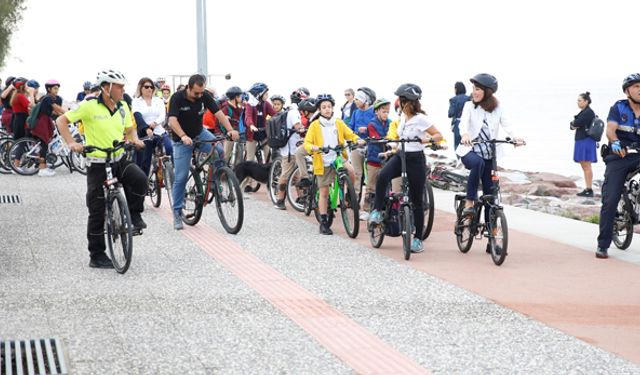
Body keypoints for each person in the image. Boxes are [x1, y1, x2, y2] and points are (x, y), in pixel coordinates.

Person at [55, 69, 148, 269]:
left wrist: (135, 140)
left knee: (140, 179)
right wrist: (72, 143)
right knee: (96, 210)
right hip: (97, 164)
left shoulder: (123, 106)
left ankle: (134, 215)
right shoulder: (88, 106)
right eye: (119, 86)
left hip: (118, 158)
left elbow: (129, 128)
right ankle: (96, 255)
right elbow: (61, 121)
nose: (123, 90)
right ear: (106, 88)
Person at [368, 83, 444, 253]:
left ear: (408, 103)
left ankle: (417, 239)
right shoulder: (404, 118)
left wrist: (426, 141)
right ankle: (377, 211)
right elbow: (399, 139)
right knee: (383, 176)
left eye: (402, 101)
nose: (400, 105)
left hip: (416, 160)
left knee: (417, 201)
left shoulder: (421, 119)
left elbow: (439, 135)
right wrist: (393, 148)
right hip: (400, 156)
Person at [456, 74, 524, 252]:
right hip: (470, 151)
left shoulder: (497, 108)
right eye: (473, 89)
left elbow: (507, 124)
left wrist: (515, 138)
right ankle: (470, 202)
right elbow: (463, 124)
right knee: (477, 164)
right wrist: (464, 135)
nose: (474, 92)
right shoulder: (469, 106)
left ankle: (492, 240)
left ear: (488, 91)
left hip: (490, 154)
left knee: (491, 198)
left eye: (478, 89)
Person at [167, 74, 239, 230]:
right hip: (181, 140)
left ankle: (215, 181)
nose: (199, 96)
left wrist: (231, 130)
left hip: (199, 133)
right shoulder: (177, 98)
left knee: (218, 151)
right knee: (181, 177)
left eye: (201, 93)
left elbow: (218, 114)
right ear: (188, 87)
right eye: (196, 93)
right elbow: (172, 120)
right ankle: (178, 213)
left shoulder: (204, 96)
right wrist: (183, 136)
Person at [304, 93, 364, 235]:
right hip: (322, 159)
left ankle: (349, 195)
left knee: (351, 171)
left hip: (337, 156)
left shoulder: (338, 123)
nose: (327, 109)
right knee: (324, 192)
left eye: (329, 107)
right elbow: (307, 142)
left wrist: (358, 139)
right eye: (324, 107)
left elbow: (350, 134)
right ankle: (324, 222)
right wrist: (312, 147)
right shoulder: (315, 125)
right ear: (319, 109)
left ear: (332, 108)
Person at [596, 73, 640, 259]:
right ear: (627, 90)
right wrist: (615, 142)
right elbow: (610, 130)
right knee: (610, 199)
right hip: (620, 155)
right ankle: (603, 244)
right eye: (636, 86)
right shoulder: (618, 107)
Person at [360, 98, 393, 220]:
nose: (386, 114)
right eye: (383, 111)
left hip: (387, 159)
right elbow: (377, 138)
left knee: (386, 185)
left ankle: (383, 208)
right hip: (374, 159)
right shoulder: (372, 124)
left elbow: (392, 135)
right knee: (371, 186)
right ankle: (366, 210)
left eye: (387, 112)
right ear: (377, 111)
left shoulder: (390, 123)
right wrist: (388, 139)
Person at [132, 77, 171, 176]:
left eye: (151, 87)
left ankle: (170, 172)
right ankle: (144, 184)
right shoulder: (136, 101)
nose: (149, 89)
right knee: (145, 161)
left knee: (169, 147)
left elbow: (162, 115)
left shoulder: (158, 100)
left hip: (159, 130)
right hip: (144, 133)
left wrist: (154, 123)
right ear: (141, 88)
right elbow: (138, 116)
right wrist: (146, 129)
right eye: (146, 87)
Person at [243, 82, 277, 192]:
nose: (267, 95)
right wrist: (251, 125)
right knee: (250, 159)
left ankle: (270, 180)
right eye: (266, 93)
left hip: (263, 134)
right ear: (259, 94)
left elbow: (274, 115)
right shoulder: (250, 104)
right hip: (252, 135)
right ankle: (248, 184)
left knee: (269, 156)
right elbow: (247, 118)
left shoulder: (266, 104)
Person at [273, 92, 304, 210]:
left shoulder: (289, 110)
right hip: (290, 149)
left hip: (291, 148)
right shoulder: (294, 112)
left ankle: (301, 197)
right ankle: (279, 200)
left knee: (297, 174)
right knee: (286, 174)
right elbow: (298, 127)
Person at [32, 79, 66, 177]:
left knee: (46, 143)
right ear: (49, 89)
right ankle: (42, 169)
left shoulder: (55, 98)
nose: (57, 90)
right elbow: (57, 108)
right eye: (55, 88)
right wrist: (69, 113)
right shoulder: (47, 98)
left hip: (46, 121)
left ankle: (44, 166)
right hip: (41, 122)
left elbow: (56, 112)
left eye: (58, 88)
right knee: (44, 144)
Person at [349, 87, 376, 197]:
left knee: (371, 175)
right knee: (357, 173)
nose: (355, 101)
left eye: (358, 99)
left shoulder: (374, 112)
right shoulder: (355, 113)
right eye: (355, 99)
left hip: (371, 146)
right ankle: (354, 200)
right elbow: (350, 128)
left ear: (366, 100)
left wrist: (367, 130)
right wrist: (355, 133)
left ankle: (368, 202)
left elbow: (378, 128)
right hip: (357, 145)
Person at [571, 92, 598, 197]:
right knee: (585, 165)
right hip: (583, 140)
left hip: (585, 140)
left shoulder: (588, 112)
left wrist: (574, 124)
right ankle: (588, 188)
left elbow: (576, 123)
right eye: (577, 100)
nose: (578, 102)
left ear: (586, 101)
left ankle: (589, 189)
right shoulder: (585, 112)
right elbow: (573, 124)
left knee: (586, 165)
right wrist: (574, 124)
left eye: (580, 100)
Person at [220, 86, 245, 165]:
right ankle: (222, 175)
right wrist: (226, 118)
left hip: (239, 134)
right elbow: (221, 121)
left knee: (239, 157)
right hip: (229, 135)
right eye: (240, 96)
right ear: (236, 97)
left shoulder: (240, 108)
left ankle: (236, 175)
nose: (241, 98)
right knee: (225, 156)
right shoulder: (226, 108)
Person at [448, 81, 470, 153]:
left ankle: (460, 160)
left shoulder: (453, 99)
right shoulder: (469, 98)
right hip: (469, 122)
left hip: (458, 122)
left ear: (456, 89)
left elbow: (451, 113)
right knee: (468, 143)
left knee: (457, 144)